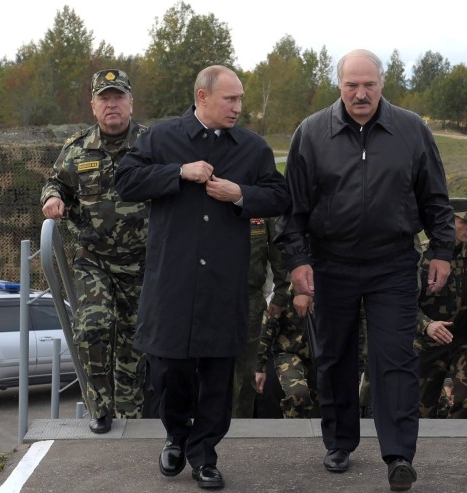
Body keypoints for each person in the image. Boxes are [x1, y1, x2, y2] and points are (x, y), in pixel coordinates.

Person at [276, 49, 454, 492]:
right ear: (339, 85)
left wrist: (442, 250)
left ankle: (399, 455)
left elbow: (435, 197)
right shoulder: (311, 133)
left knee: (394, 358)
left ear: (382, 83)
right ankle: (339, 442)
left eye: (368, 84)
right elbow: (291, 208)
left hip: (392, 262)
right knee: (334, 355)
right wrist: (297, 260)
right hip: (329, 263)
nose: (360, 93)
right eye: (351, 85)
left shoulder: (411, 131)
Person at [114, 65, 290, 489]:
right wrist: (177, 172)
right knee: (169, 367)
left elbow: (281, 195)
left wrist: (241, 195)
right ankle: (176, 436)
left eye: (241, 99)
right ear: (202, 97)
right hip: (172, 280)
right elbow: (126, 180)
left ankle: (205, 454)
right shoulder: (161, 138)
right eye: (230, 99)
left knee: (216, 374)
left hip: (224, 283)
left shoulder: (251, 148)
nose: (238, 107)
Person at [40, 69, 148, 434]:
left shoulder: (152, 144)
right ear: (93, 105)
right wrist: (53, 197)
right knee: (92, 327)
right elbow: (55, 182)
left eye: (118, 97)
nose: (112, 104)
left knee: (136, 343)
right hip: (95, 259)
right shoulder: (77, 149)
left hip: (144, 263)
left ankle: (131, 416)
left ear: (131, 102)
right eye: (104, 98)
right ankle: (99, 407)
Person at [416, 197, 467, 419]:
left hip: (462, 343)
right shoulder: (421, 257)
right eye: (463, 222)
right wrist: (426, 325)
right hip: (427, 345)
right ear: (446, 221)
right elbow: (403, 303)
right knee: (421, 410)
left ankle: (463, 453)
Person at [233, 216, 291, 418]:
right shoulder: (208, 189)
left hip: (249, 297)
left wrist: (282, 292)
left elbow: (277, 246)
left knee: (246, 373)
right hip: (209, 296)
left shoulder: (260, 199)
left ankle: (239, 431)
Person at [254, 290, 318, 418]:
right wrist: (259, 367)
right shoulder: (287, 290)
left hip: (323, 355)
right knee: (297, 394)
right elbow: (267, 327)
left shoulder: (333, 288)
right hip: (289, 353)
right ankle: (295, 433)